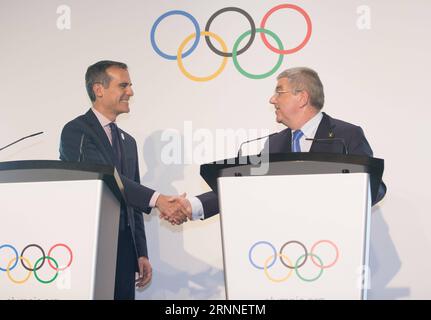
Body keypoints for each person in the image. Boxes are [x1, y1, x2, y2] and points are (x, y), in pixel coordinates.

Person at [165, 67, 387, 224]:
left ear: (302, 98)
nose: (272, 100)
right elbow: (244, 186)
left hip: (334, 242)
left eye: (279, 92)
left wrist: (339, 204)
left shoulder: (346, 135)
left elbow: (376, 188)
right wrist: (192, 205)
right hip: (283, 244)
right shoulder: (275, 143)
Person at [59, 60, 188, 299]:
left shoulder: (128, 142)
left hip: (124, 250)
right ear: (99, 89)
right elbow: (105, 176)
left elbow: (133, 202)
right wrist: (158, 200)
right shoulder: (76, 131)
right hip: (91, 246)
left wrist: (141, 252)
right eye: (123, 85)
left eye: (130, 85)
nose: (130, 92)